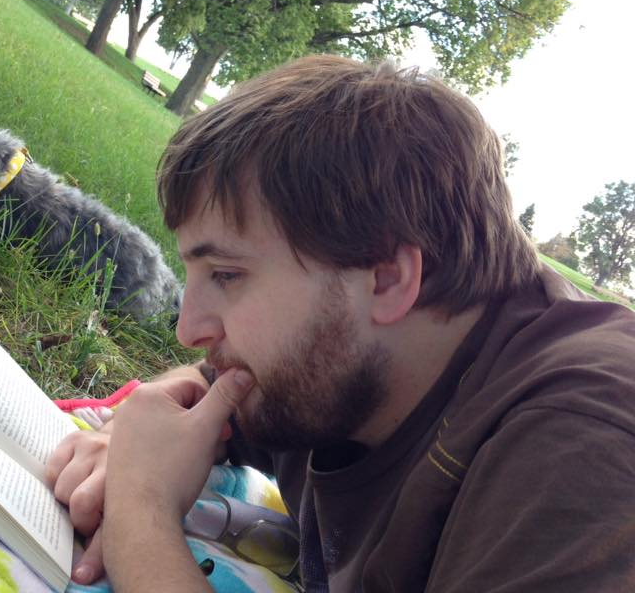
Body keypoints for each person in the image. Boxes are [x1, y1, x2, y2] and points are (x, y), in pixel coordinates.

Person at [45, 55, 635, 591]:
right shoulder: (334, 361)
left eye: (226, 274)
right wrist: (134, 441)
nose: (189, 328)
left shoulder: (583, 447)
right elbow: (204, 388)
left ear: (388, 280)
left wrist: (141, 512)